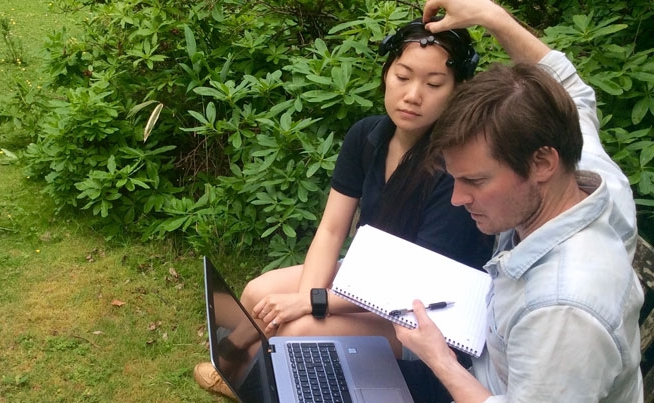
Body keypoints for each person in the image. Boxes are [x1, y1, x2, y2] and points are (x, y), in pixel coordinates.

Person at [194, 16, 495, 401]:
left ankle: (265, 379)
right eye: (403, 76)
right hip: (370, 281)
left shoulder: (453, 165)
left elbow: (418, 288)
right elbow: (333, 229)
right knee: (258, 292)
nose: (413, 95)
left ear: (457, 91)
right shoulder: (367, 136)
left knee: (298, 331)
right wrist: (305, 299)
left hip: (425, 316)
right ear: (386, 74)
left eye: (434, 84)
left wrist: (310, 306)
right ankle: (250, 375)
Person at [394, 0, 644, 401]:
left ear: (542, 162)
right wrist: (490, 16)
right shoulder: (591, 179)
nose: (457, 198)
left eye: (475, 180)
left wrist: (438, 358)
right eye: (455, 179)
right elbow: (570, 88)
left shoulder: (562, 312)